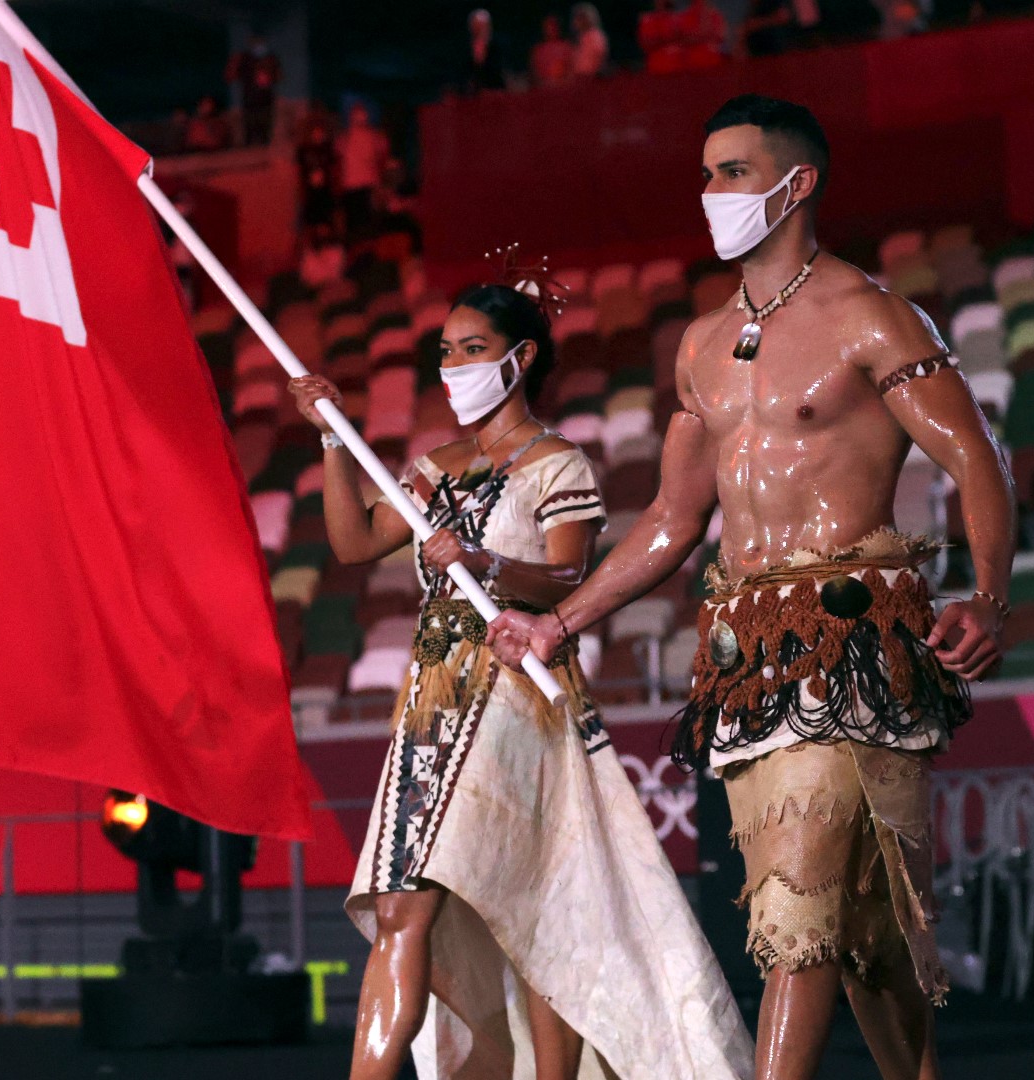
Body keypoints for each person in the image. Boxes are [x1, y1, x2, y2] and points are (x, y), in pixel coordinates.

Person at [490, 94, 1015, 1080]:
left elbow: (979, 462)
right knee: (856, 929)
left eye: (731, 171)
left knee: (801, 906)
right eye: (705, 173)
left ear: (796, 181)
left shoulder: (871, 317)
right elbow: (671, 521)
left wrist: (988, 596)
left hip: (858, 636)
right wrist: (557, 621)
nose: (710, 191)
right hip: (748, 656)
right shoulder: (699, 344)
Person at [289, 263, 751, 1080]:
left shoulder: (557, 464)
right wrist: (331, 437)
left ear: (522, 356)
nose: (454, 366)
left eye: (474, 348)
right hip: (429, 705)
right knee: (401, 904)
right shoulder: (437, 466)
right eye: (445, 351)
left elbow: (568, 578)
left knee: (527, 906)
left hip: (513, 694)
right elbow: (356, 542)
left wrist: (482, 560)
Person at [335, 102, 389, 239]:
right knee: (358, 224)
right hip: (353, 186)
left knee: (365, 224)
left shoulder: (373, 137)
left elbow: (382, 157)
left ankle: (364, 252)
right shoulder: (345, 138)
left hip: (365, 185)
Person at [225, 35, 281, 146]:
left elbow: (278, 76)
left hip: (266, 99)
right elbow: (230, 76)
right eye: (255, 43)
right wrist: (234, 62)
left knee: (265, 127)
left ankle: (264, 147)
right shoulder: (245, 59)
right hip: (250, 99)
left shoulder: (270, 58)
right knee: (250, 127)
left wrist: (269, 77)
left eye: (259, 42)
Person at [295, 114, 339, 233]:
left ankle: (326, 241)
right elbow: (299, 172)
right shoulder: (303, 150)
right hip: (310, 191)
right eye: (315, 131)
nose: (318, 134)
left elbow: (333, 168)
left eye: (320, 131)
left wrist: (334, 187)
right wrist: (301, 190)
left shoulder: (327, 148)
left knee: (325, 218)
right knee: (312, 220)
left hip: (325, 190)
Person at [677, 0, 731, 69]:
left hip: (712, 55)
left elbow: (721, 36)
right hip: (691, 55)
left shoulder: (715, 15)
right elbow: (684, 38)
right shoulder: (685, 16)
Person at [638, 0, 687, 73]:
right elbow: (646, 43)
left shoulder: (678, 18)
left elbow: (685, 39)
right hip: (660, 66)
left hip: (681, 66)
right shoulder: (648, 20)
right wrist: (667, 39)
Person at [465, 9, 506, 93]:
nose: (479, 30)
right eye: (476, 26)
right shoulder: (466, 49)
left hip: (495, 92)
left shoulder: (498, 47)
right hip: (473, 95)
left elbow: (499, 71)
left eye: (482, 26)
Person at [530, 14, 574, 87]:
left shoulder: (566, 47)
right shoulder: (538, 50)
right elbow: (533, 73)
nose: (551, 29)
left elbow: (571, 71)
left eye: (554, 25)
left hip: (563, 89)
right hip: (543, 90)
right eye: (548, 26)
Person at [570, 2, 611, 77]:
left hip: (592, 79)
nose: (577, 21)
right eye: (576, 18)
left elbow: (599, 58)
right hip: (580, 78)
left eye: (581, 18)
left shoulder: (596, 36)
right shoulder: (579, 38)